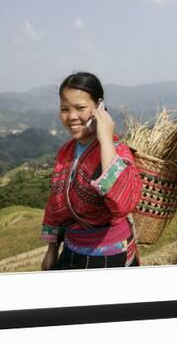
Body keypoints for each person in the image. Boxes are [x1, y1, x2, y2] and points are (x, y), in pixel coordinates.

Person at [40, 72, 143, 270]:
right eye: (64, 109)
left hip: (111, 257)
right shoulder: (66, 152)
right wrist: (52, 249)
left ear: (99, 108)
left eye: (80, 108)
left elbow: (122, 205)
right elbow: (56, 201)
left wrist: (105, 138)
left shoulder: (117, 151)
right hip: (72, 252)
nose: (71, 117)